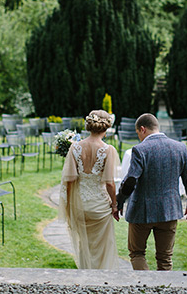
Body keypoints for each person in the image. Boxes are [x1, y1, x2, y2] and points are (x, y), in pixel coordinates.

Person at [115, 113, 187, 271]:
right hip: (169, 210)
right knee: (165, 257)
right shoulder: (180, 147)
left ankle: (147, 287)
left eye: (138, 134)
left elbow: (131, 180)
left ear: (142, 129)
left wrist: (119, 201)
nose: (139, 137)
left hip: (141, 213)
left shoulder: (140, 150)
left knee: (137, 253)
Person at [59, 110, 120, 269]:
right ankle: (103, 280)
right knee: (103, 246)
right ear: (106, 128)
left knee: (84, 244)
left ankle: (86, 276)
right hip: (100, 207)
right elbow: (109, 183)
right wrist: (114, 205)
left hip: (80, 205)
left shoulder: (75, 148)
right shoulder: (108, 150)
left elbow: (70, 179)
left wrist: (69, 205)